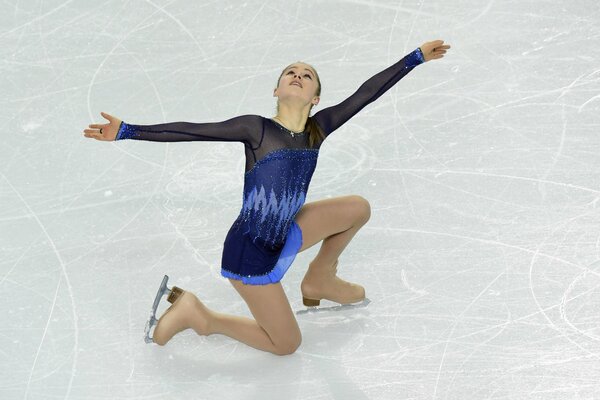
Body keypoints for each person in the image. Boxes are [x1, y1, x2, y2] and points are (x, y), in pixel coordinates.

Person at [83, 40, 450, 356]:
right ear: (276, 91)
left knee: (358, 208)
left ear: (315, 97)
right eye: (290, 72)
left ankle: (319, 279)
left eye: (307, 75)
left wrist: (414, 58)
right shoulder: (256, 129)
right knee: (285, 344)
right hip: (250, 256)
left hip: (284, 232)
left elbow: (365, 94)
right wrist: (128, 131)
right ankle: (200, 316)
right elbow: (192, 130)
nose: (297, 75)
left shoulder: (317, 130)